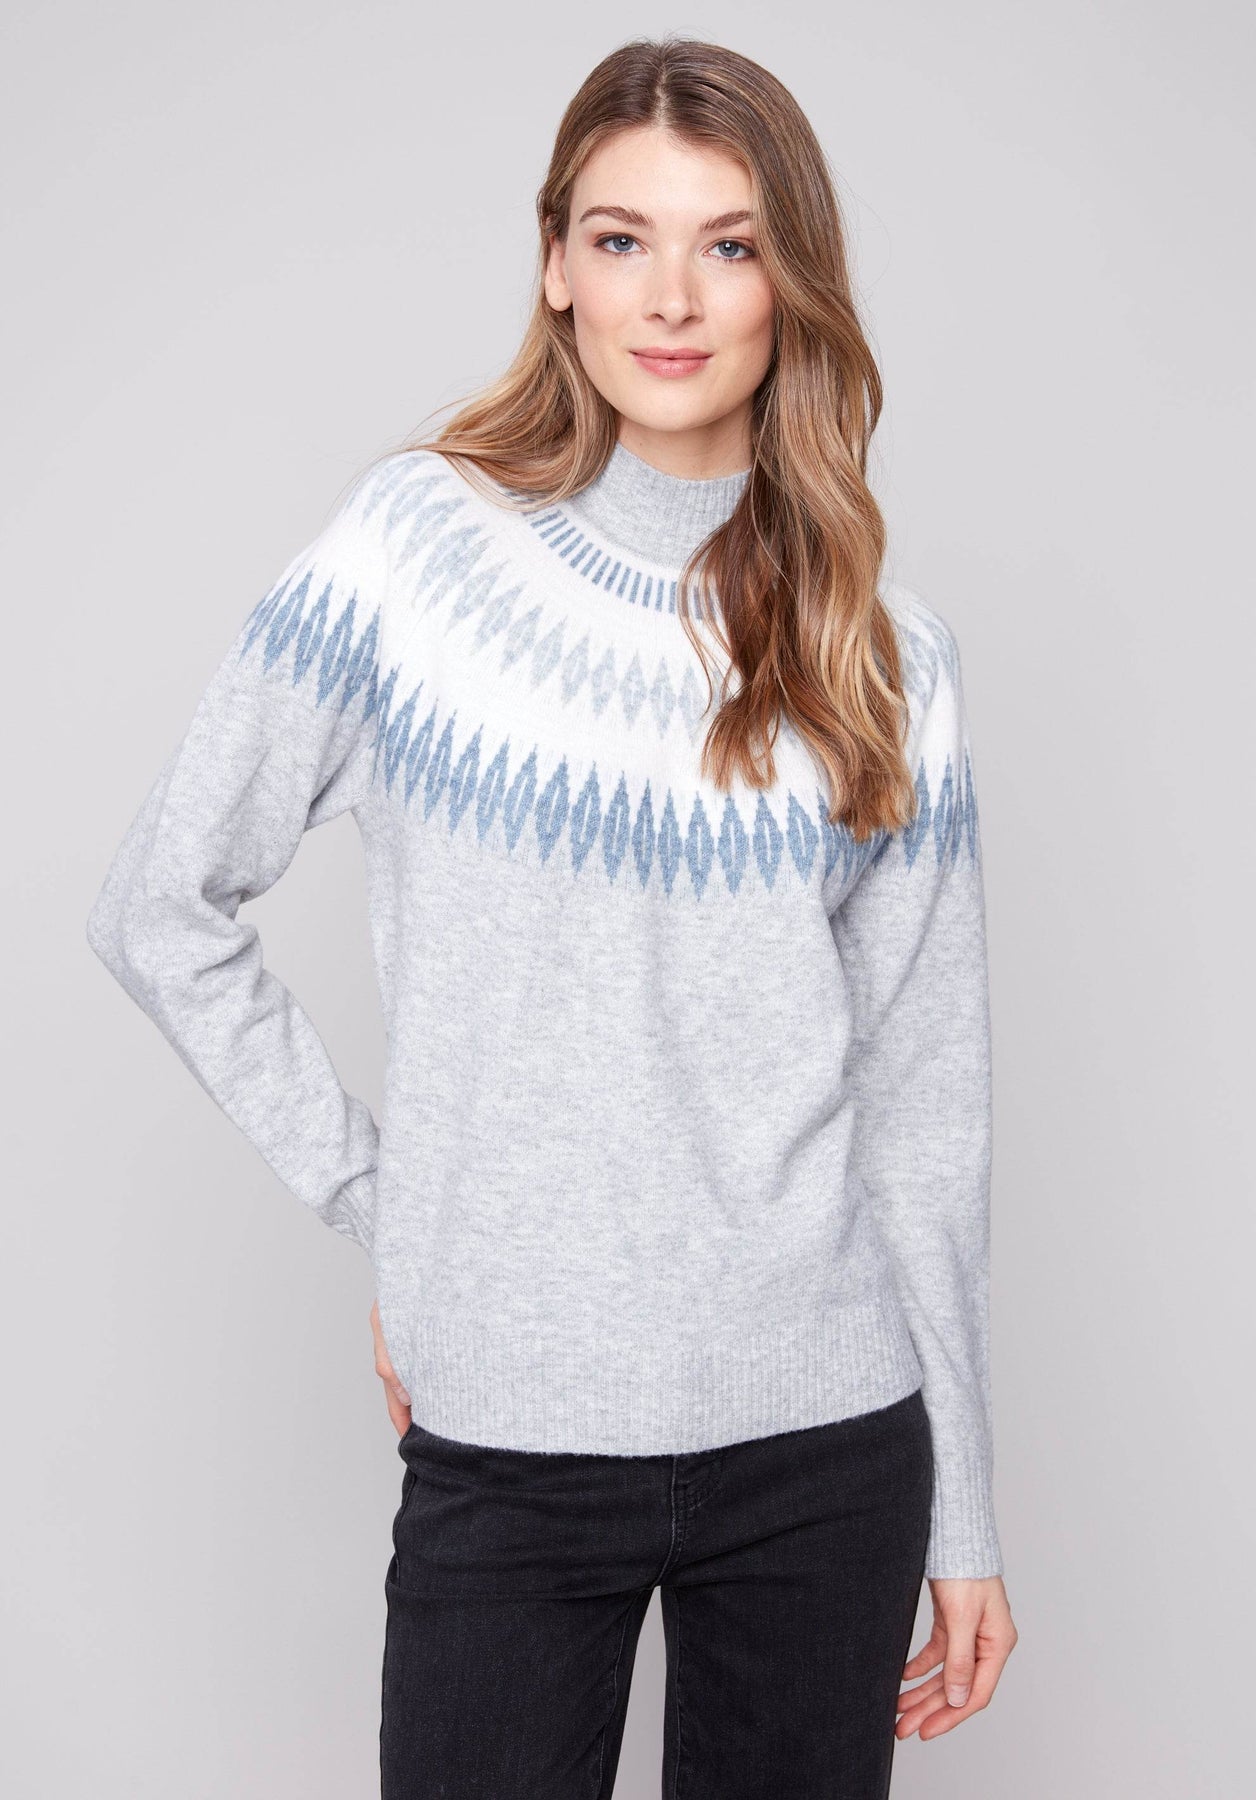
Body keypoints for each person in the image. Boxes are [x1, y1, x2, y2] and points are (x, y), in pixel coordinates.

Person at [86, 34, 1018, 1799]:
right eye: (619, 238)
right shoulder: (414, 552)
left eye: (728, 245)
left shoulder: (886, 656)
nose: (670, 296)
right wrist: (392, 1212)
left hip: (826, 1443)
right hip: (511, 1433)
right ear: (553, 265)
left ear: (791, 281)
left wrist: (963, 1507)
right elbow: (160, 905)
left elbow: (923, 1113)